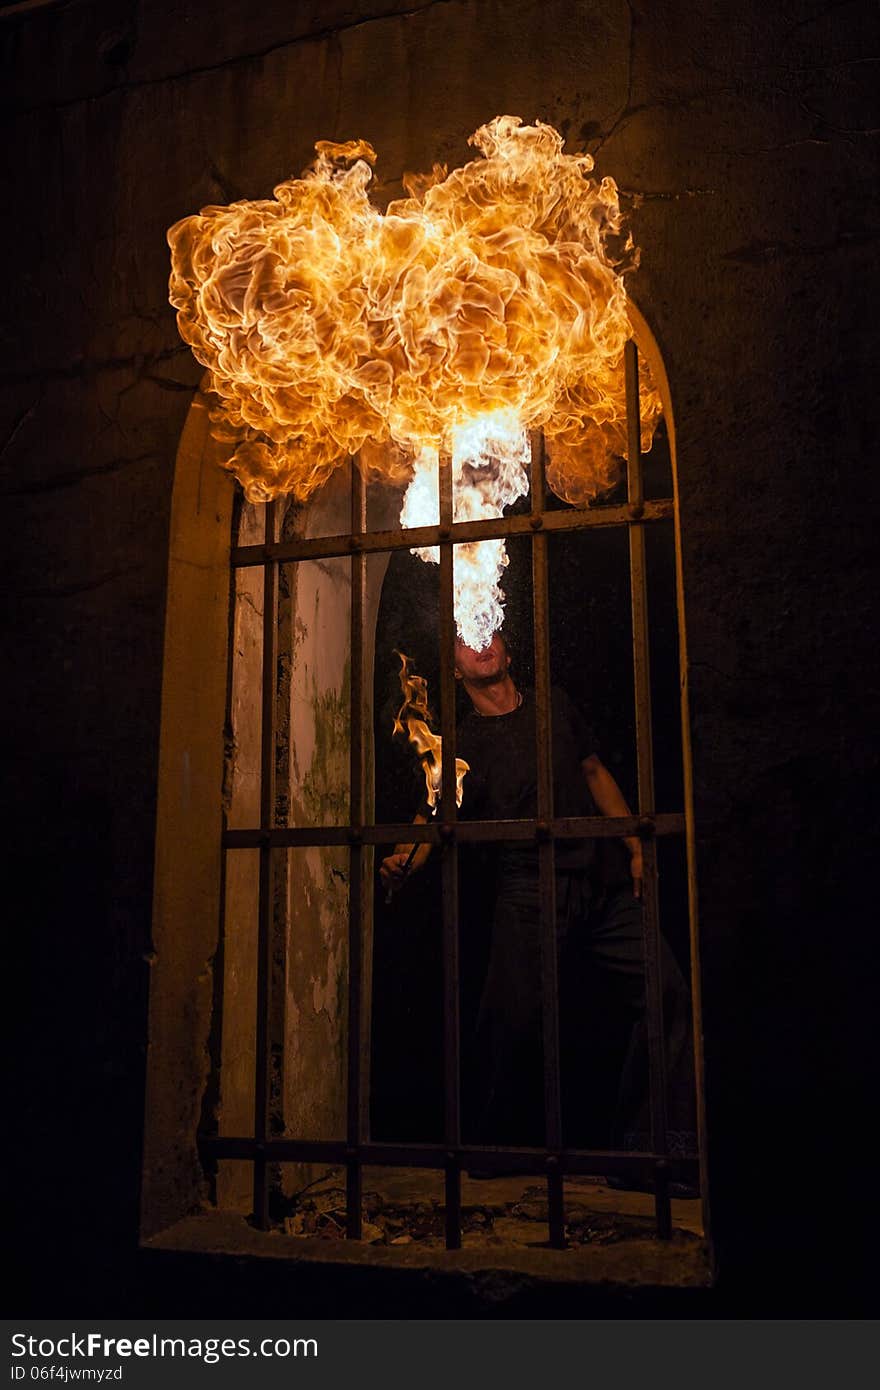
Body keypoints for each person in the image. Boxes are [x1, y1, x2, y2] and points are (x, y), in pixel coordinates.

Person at [379, 631, 696, 1172]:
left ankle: (653, 1150)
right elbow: (431, 816)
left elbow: (593, 771)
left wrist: (633, 842)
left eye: (488, 631)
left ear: (506, 647)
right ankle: (485, 1158)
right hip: (529, 891)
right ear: (455, 671)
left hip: (602, 882)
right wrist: (401, 860)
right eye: (464, 641)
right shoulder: (460, 743)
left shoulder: (553, 702)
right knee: (509, 1026)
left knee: (666, 994)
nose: (480, 643)